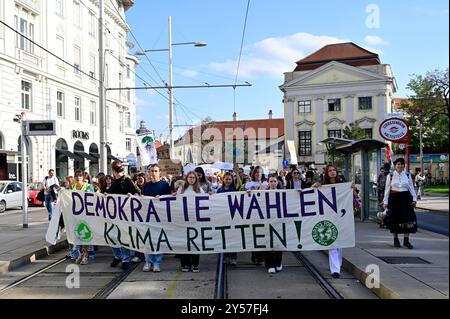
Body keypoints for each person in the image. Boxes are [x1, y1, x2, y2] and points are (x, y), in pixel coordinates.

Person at [313, 164, 355, 278]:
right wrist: (314, 186)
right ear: (327, 173)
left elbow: (352, 196)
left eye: (334, 170)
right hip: (329, 216)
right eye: (330, 170)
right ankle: (335, 270)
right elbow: (312, 195)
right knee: (332, 242)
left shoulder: (343, 184)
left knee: (340, 242)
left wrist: (352, 188)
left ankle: (338, 264)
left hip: (341, 217)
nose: (332, 172)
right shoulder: (323, 185)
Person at [105, 160, 140, 270]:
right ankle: (118, 255)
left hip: (125, 214)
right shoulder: (115, 181)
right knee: (111, 235)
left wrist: (131, 196)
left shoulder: (126, 180)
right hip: (113, 214)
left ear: (113, 170)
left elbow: (138, 193)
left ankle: (126, 258)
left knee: (123, 235)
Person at [141, 164, 171, 272]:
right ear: (149, 173)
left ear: (160, 173)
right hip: (148, 217)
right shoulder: (146, 186)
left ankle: (157, 263)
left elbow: (170, 200)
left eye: (155, 171)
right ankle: (148, 262)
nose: (153, 173)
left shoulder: (165, 185)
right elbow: (142, 200)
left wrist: (162, 198)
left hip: (160, 217)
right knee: (148, 240)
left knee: (158, 240)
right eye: (151, 171)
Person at [383, 158, 417, 249]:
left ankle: (406, 240)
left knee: (408, 219)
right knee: (395, 219)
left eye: (402, 164)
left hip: (406, 199)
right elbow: (387, 190)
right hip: (394, 199)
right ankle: (396, 239)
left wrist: (414, 199)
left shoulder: (407, 175)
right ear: (395, 165)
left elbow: (411, 188)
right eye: (398, 164)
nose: (400, 166)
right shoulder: (390, 176)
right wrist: (385, 202)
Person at [178, 171, 204, 272]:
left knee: (195, 242)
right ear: (187, 178)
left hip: (195, 220)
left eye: (193, 177)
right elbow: (175, 200)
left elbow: (205, 201)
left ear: (196, 179)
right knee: (184, 243)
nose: (192, 179)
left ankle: (195, 264)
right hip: (183, 220)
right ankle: (185, 264)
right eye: (190, 177)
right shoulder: (182, 189)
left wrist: (210, 195)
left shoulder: (199, 190)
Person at [245, 166, 268, 265]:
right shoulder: (248, 185)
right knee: (255, 235)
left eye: (260, 172)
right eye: (257, 172)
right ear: (254, 174)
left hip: (264, 212)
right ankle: (255, 256)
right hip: (253, 213)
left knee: (263, 235)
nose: (258, 174)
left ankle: (262, 257)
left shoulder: (266, 184)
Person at [71, 169, 95, 265]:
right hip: (76, 214)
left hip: (86, 214)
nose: (78, 177)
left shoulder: (88, 186)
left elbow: (93, 198)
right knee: (78, 235)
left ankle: (86, 254)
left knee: (85, 235)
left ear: (83, 177)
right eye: (76, 176)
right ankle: (80, 253)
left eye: (80, 176)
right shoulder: (73, 187)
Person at [216, 172, 238, 265]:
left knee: (233, 237)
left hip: (233, 217)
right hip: (223, 217)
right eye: (226, 179)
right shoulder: (219, 190)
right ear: (223, 180)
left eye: (229, 179)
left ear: (232, 180)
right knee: (224, 237)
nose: (228, 181)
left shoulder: (235, 189)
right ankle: (225, 257)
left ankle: (233, 257)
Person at [264, 175, 284, 273]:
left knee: (279, 242)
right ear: (268, 182)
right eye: (271, 181)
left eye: (274, 181)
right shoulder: (263, 193)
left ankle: (278, 262)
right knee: (267, 242)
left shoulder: (282, 193)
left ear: (277, 182)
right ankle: (270, 264)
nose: (273, 183)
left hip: (278, 221)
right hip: (266, 221)